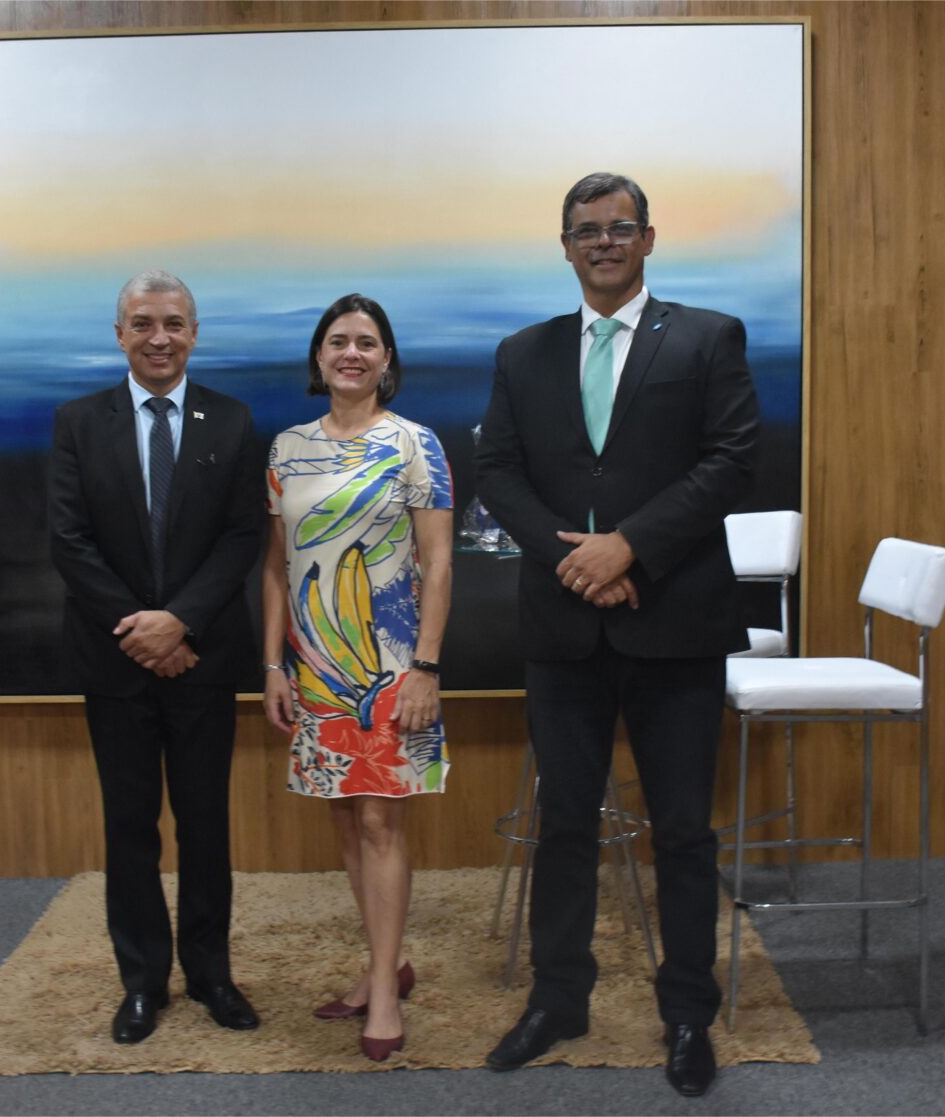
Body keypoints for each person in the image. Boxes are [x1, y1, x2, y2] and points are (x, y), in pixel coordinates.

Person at [474, 173, 760, 1097]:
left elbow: (732, 459)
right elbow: (497, 469)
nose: (604, 241)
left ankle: (688, 1013)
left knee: (682, 831)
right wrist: (577, 561)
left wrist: (629, 545)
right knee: (564, 825)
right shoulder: (523, 353)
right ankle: (560, 999)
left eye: (620, 227)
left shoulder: (708, 337)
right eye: (586, 230)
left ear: (648, 239)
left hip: (675, 620)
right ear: (565, 246)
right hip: (564, 627)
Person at [48, 269, 264, 1043]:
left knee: (205, 823)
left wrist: (179, 624)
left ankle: (210, 974)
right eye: (142, 323)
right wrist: (142, 632)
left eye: (173, 323)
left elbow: (243, 535)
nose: (159, 337)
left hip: (203, 657)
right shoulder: (79, 421)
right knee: (130, 825)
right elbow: (68, 540)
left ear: (194, 333)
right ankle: (142, 981)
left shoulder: (232, 421)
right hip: (115, 662)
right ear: (120, 335)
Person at [261, 293, 453, 1062]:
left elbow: (439, 561)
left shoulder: (415, 443)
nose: (351, 352)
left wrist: (427, 667)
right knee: (345, 818)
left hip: (392, 664)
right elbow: (275, 567)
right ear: (319, 356)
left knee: (380, 822)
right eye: (338, 340)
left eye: (366, 342)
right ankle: (384, 966)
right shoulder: (285, 448)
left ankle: (383, 994)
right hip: (315, 665)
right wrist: (272, 664)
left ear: (386, 359)